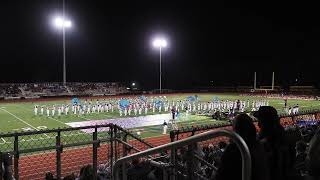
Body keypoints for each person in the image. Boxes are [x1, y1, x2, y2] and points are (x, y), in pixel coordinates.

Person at [215, 113, 270, 180]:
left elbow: (220, 175)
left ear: (237, 130)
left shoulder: (234, 149)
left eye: (234, 128)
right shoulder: (259, 145)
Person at [253, 106, 290, 180]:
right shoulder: (279, 131)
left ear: (266, 120)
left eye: (260, 119)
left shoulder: (268, 137)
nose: (258, 122)